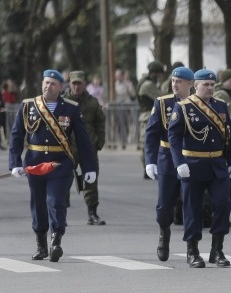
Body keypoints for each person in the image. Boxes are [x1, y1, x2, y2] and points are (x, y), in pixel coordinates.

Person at [8, 69, 98, 262]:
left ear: (61, 88)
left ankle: (56, 240)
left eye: (53, 84)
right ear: (42, 84)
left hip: (60, 163)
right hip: (34, 162)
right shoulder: (28, 106)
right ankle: (41, 245)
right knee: (38, 203)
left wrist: (90, 168)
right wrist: (14, 163)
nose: (49, 86)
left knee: (56, 201)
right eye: (46, 83)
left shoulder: (71, 108)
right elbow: (16, 136)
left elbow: (83, 140)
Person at [167, 68, 231, 267]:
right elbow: (173, 138)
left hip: (217, 164)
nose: (209, 88)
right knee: (192, 208)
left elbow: (229, 135)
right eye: (205, 85)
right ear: (195, 86)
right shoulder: (183, 107)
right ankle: (193, 251)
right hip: (193, 164)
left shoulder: (221, 106)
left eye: (212, 85)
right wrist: (179, 163)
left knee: (222, 205)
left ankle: (217, 250)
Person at [143, 66, 194, 262]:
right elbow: (151, 133)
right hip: (167, 158)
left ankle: (191, 246)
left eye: (179, 81)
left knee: (190, 203)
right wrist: (150, 161)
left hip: (191, 157)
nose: (174, 84)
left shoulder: (196, 103)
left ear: (190, 84)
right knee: (164, 205)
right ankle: (164, 234)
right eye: (173, 81)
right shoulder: (162, 103)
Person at [67, 71, 107, 225]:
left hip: (88, 147)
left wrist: (99, 142)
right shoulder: (63, 101)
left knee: (91, 178)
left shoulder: (92, 102)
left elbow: (100, 122)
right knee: (63, 179)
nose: (77, 86)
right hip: (68, 147)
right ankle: (60, 214)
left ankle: (92, 213)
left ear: (85, 84)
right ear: (70, 84)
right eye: (74, 83)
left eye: (79, 83)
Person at [137, 61, 166, 177]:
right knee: (147, 143)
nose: (160, 77)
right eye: (159, 74)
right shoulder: (148, 85)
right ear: (155, 73)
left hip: (149, 115)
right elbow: (162, 97)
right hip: (148, 116)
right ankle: (147, 167)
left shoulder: (148, 82)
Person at [114, 69, 137, 149]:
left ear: (122, 76)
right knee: (120, 124)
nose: (118, 77)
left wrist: (129, 86)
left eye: (119, 75)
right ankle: (121, 141)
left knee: (126, 124)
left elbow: (133, 94)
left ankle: (126, 140)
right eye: (116, 76)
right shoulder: (115, 84)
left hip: (127, 107)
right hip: (117, 107)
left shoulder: (127, 83)